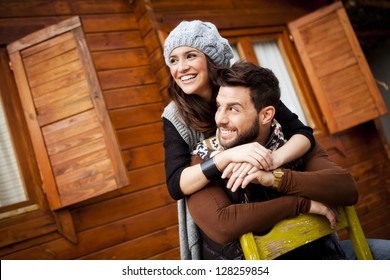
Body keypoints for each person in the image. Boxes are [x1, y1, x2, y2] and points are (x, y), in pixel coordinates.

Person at [187, 61, 390, 260]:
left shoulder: (292, 144)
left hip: (326, 257)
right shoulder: (204, 159)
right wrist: (300, 204)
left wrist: (273, 178)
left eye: (233, 109)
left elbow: (347, 188)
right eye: (219, 107)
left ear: (266, 115)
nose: (220, 119)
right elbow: (223, 225)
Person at [162, 20, 315, 259]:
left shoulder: (245, 87)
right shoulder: (175, 115)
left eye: (190, 55)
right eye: (173, 60)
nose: (181, 67)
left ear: (211, 59)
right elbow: (176, 184)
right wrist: (227, 156)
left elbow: (303, 134)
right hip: (228, 229)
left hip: (274, 201)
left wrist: (271, 160)